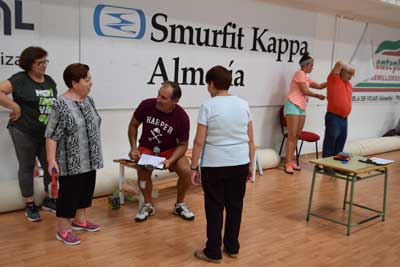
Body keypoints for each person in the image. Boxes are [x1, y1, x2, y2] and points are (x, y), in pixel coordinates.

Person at [190, 66, 255, 263]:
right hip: (240, 162)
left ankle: (213, 251)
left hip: (214, 165)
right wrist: (251, 166)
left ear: (212, 84)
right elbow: (251, 140)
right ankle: (233, 247)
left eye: (207, 84)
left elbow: (199, 141)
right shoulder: (244, 104)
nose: (207, 88)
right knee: (235, 206)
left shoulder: (208, 105)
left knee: (215, 208)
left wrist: (193, 167)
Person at [45, 63, 102, 245]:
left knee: (86, 191)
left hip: (91, 158)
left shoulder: (89, 100)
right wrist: (51, 160)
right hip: (71, 161)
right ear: (74, 83)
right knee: (69, 194)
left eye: (90, 79)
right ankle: (63, 229)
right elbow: (51, 135)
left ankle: (80, 221)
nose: (90, 83)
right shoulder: (61, 104)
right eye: (87, 80)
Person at [0, 46, 57, 221]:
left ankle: (49, 199)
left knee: (50, 166)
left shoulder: (48, 80)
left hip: (45, 133)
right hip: (23, 131)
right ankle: (30, 205)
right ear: (29, 64)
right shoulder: (20, 79)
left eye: (45, 61)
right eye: (40, 62)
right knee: (26, 167)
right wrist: (14, 106)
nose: (44, 65)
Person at [128, 81, 195, 222]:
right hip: (147, 149)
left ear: (175, 101)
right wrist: (133, 147)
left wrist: (171, 160)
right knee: (142, 170)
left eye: (163, 98)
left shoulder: (182, 117)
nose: (158, 99)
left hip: (170, 150)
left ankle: (180, 204)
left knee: (186, 171)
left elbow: (183, 144)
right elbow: (133, 125)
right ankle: (148, 205)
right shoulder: (146, 105)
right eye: (158, 94)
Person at [283, 52, 326, 174]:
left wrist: (332, 79)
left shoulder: (306, 77)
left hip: (301, 108)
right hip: (292, 106)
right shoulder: (299, 73)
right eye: (312, 65)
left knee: (297, 135)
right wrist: (317, 96)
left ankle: (291, 161)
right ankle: (288, 162)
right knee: (291, 136)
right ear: (306, 65)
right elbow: (304, 90)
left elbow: (319, 85)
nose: (313, 67)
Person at [322, 60, 355, 158]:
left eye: (352, 75)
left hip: (344, 119)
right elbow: (339, 63)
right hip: (334, 117)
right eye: (349, 73)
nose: (350, 76)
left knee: (340, 143)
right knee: (330, 143)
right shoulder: (333, 78)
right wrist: (348, 66)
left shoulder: (349, 85)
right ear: (342, 71)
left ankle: (336, 165)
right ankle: (327, 165)